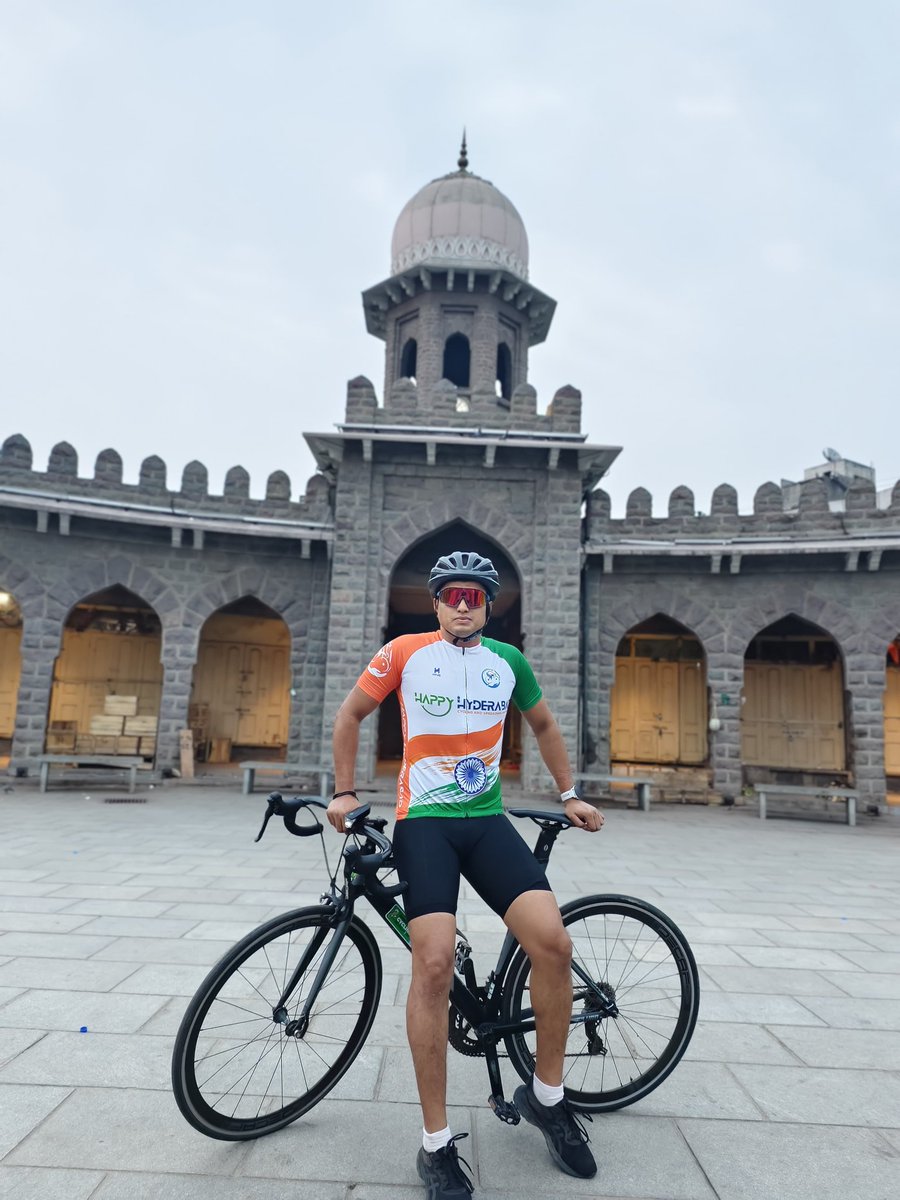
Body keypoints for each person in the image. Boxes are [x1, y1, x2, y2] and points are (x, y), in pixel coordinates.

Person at [328, 550, 604, 1199]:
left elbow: (543, 724)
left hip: (486, 822)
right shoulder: (403, 653)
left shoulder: (508, 662)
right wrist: (342, 793)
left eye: (474, 596)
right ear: (436, 603)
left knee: (554, 943)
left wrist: (570, 794)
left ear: (488, 605)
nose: (461, 604)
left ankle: (547, 1096)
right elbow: (349, 718)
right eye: (451, 594)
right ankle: (435, 1146)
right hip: (423, 822)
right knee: (432, 964)